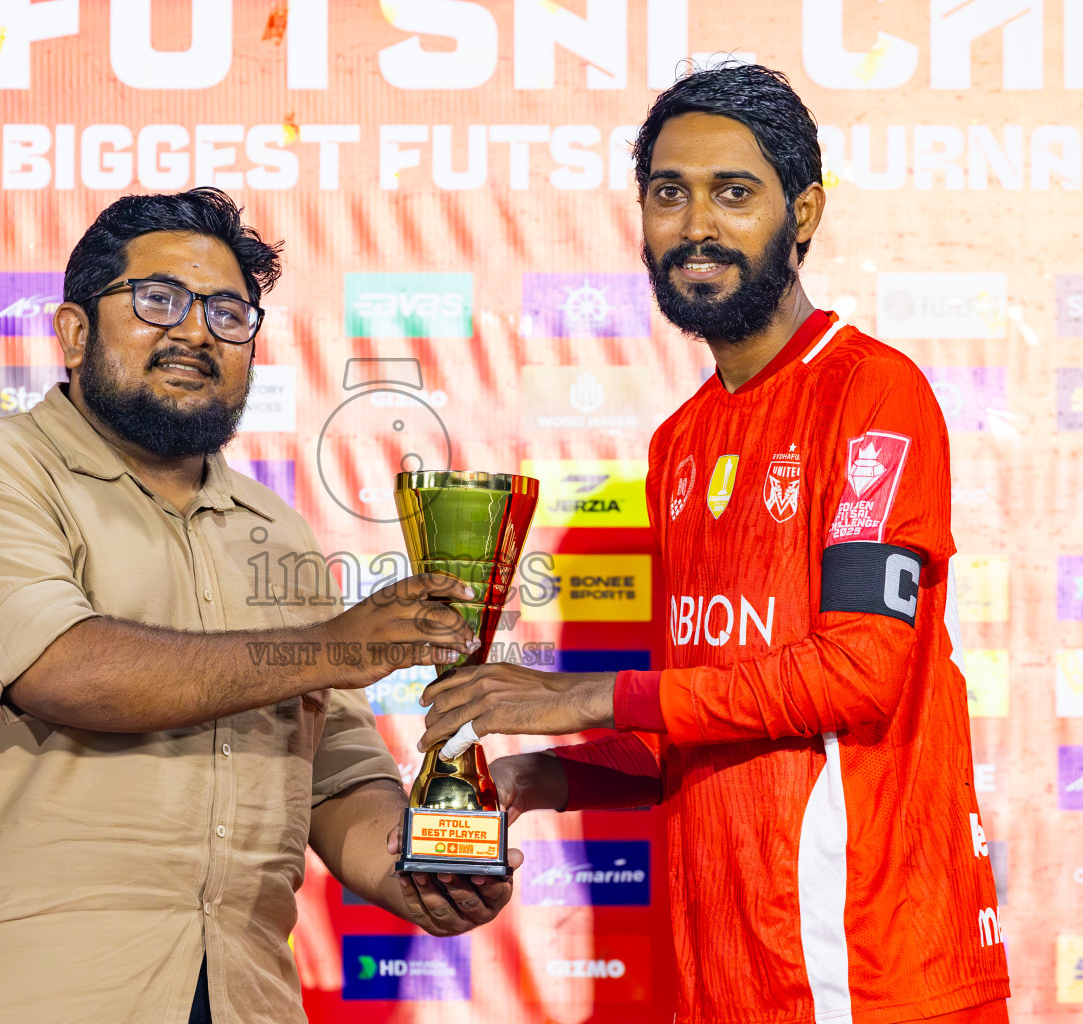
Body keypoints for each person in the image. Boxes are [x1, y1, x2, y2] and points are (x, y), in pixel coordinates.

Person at [416, 65, 1010, 1023]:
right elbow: (699, 720)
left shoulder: (872, 393)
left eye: (734, 193)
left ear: (803, 213)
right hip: (723, 980)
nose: (697, 225)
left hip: (865, 972)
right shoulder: (680, 442)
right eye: (669, 194)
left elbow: (859, 673)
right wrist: (534, 776)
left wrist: (580, 694)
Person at [0, 188, 517, 1024]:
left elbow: (334, 772)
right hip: (26, 994)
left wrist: (418, 868)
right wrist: (331, 647)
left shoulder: (276, 532)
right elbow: (61, 669)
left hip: (244, 995)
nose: (196, 332)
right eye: (157, 300)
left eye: (227, 313)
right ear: (73, 331)